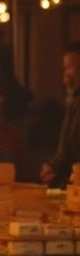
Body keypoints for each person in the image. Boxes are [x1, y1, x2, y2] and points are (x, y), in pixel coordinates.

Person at [42, 42, 80, 187]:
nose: (66, 75)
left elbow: (73, 145)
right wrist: (55, 166)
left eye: (70, 67)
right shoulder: (74, 101)